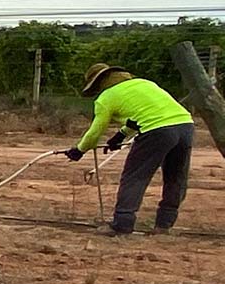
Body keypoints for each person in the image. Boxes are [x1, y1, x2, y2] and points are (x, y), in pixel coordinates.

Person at [65, 63, 195, 236]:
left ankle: (122, 223)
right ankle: (164, 225)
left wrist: (79, 150)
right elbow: (141, 116)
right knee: (175, 177)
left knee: (135, 177)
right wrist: (120, 135)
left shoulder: (106, 97)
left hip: (156, 131)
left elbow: (95, 131)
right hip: (185, 125)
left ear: (98, 84)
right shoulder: (145, 84)